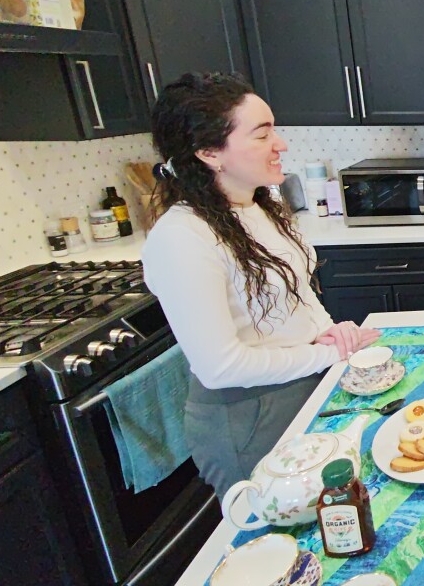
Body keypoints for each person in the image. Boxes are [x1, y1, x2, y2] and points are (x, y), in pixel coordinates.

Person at [141, 73, 380, 496]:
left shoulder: (261, 204)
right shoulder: (182, 237)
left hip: (305, 384)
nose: (281, 143)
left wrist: (326, 332)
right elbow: (221, 367)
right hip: (248, 416)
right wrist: (322, 353)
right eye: (262, 133)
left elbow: (298, 288)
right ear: (210, 152)